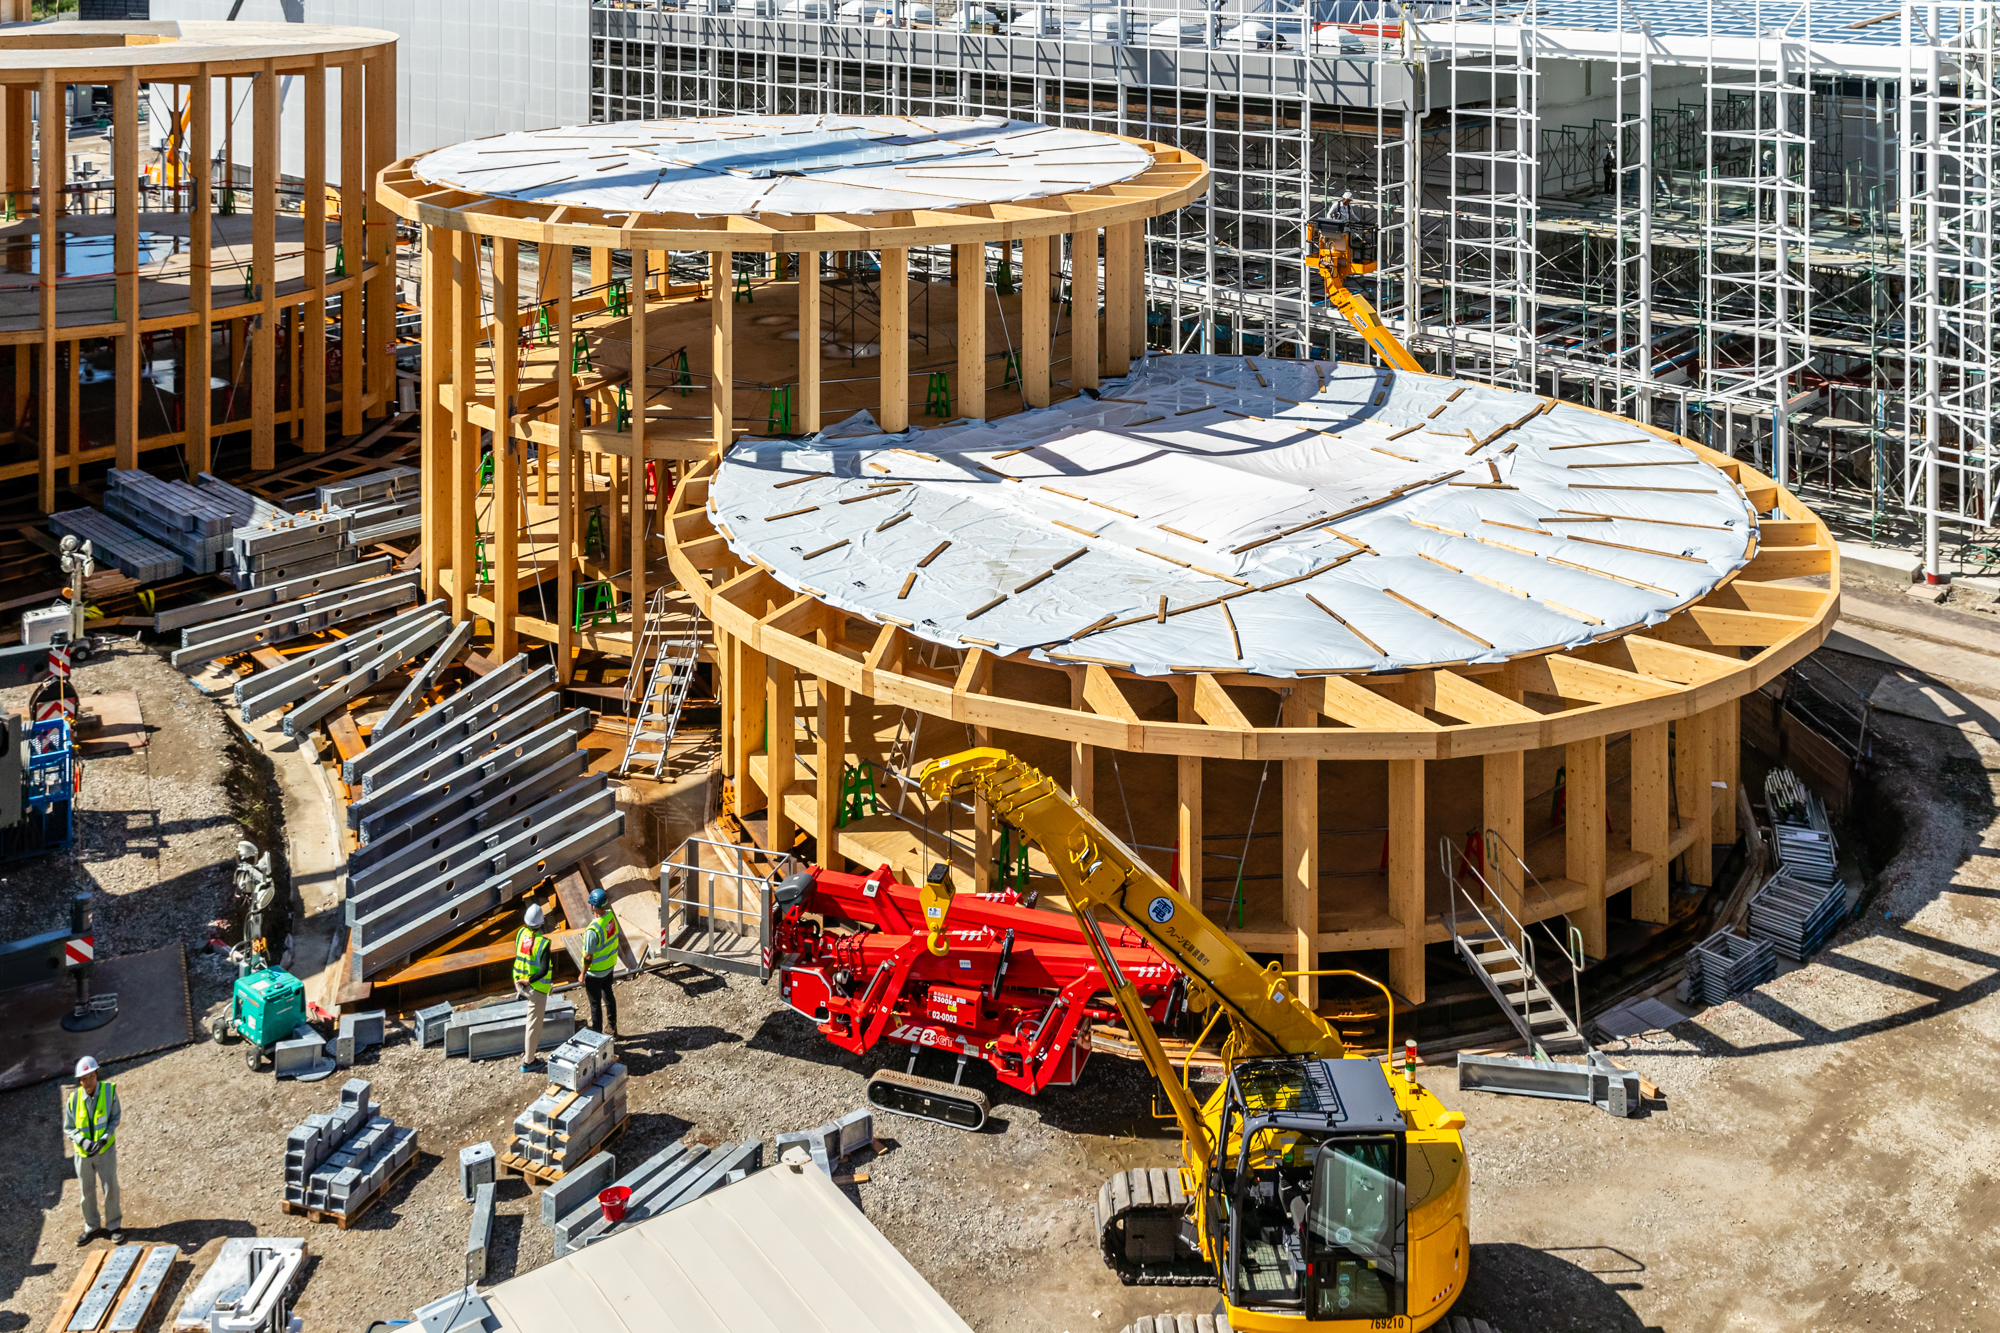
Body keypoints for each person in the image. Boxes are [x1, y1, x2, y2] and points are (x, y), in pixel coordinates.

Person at [65, 1056, 121, 1245]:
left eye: (90, 1077)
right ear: (79, 1081)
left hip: (105, 1150)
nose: (87, 1082)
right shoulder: (73, 1099)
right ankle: (92, 1226)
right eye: (83, 1079)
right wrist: (82, 1142)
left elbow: (115, 1117)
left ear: (96, 1074)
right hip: (83, 1154)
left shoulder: (109, 1092)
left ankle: (114, 1226)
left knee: (110, 1187)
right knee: (86, 1191)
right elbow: (69, 1127)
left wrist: (104, 1138)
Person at [513, 900, 554, 1073]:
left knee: (532, 1023)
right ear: (541, 923)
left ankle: (529, 1059)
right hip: (535, 988)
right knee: (534, 1026)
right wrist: (530, 980)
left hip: (518, 982)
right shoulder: (543, 943)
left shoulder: (521, 933)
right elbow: (544, 970)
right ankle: (529, 1062)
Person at [582, 888, 622, 1040]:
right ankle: (612, 1027)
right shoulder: (610, 917)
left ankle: (597, 1037)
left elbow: (588, 955)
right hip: (609, 967)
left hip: (595, 973)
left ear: (593, 906)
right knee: (608, 995)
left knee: (595, 1004)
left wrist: (582, 973)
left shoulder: (592, 930)